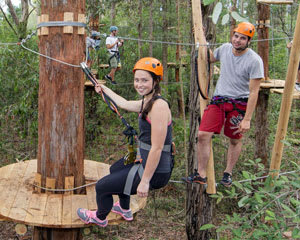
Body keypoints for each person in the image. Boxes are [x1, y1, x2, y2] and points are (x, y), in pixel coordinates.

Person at [77, 57, 173, 227]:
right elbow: (124, 103)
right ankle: (123, 207)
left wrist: (145, 181)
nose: (139, 84)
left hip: (156, 171)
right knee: (115, 169)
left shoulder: (159, 107)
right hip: (145, 160)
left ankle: (99, 217)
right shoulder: (148, 101)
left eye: (145, 80)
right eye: (137, 80)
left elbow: (157, 148)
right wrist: (104, 89)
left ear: (156, 81)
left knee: (102, 187)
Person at [182, 22, 264, 187]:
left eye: (242, 38)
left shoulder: (255, 60)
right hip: (219, 100)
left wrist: (247, 119)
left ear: (249, 41)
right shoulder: (225, 48)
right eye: (236, 36)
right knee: (203, 135)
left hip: (240, 103)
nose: (237, 40)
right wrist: (201, 36)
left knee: (234, 139)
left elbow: (254, 92)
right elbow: (210, 57)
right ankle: (201, 174)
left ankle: (228, 173)